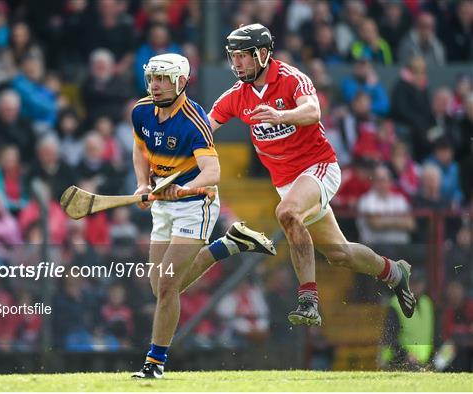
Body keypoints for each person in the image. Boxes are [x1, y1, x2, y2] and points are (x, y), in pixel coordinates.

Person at [201, 23, 416, 327]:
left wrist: (282, 115)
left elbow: (313, 111)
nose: (236, 63)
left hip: (319, 167)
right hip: (288, 183)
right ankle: (394, 272)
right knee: (340, 254)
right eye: (233, 56)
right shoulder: (236, 96)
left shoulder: (291, 79)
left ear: (262, 54)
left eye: (242, 56)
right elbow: (205, 128)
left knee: (287, 212)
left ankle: (308, 300)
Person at [130, 53, 275, 379]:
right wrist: (143, 183)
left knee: (168, 286)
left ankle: (155, 363)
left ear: (181, 82)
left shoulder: (193, 120)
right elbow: (139, 149)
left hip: (197, 203)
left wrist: (183, 189)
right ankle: (228, 245)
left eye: (164, 78)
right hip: (162, 205)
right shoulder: (141, 111)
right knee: (160, 287)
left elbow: (213, 171)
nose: (156, 84)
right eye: (153, 77)